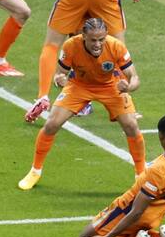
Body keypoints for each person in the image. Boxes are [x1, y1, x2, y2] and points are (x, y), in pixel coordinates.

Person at [18, 18, 146, 190]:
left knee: (131, 125)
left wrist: (128, 87)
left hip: (111, 86)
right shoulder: (71, 45)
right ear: (83, 36)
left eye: (101, 39)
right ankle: (35, 171)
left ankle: (141, 175)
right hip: (79, 86)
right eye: (93, 40)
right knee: (51, 124)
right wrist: (60, 80)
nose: (97, 44)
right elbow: (60, 74)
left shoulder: (116, 46)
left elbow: (134, 77)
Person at [79, 114, 165, 237]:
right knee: (127, 231)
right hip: (156, 212)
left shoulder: (158, 170)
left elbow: (136, 211)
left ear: (161, 137)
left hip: (128, 209)